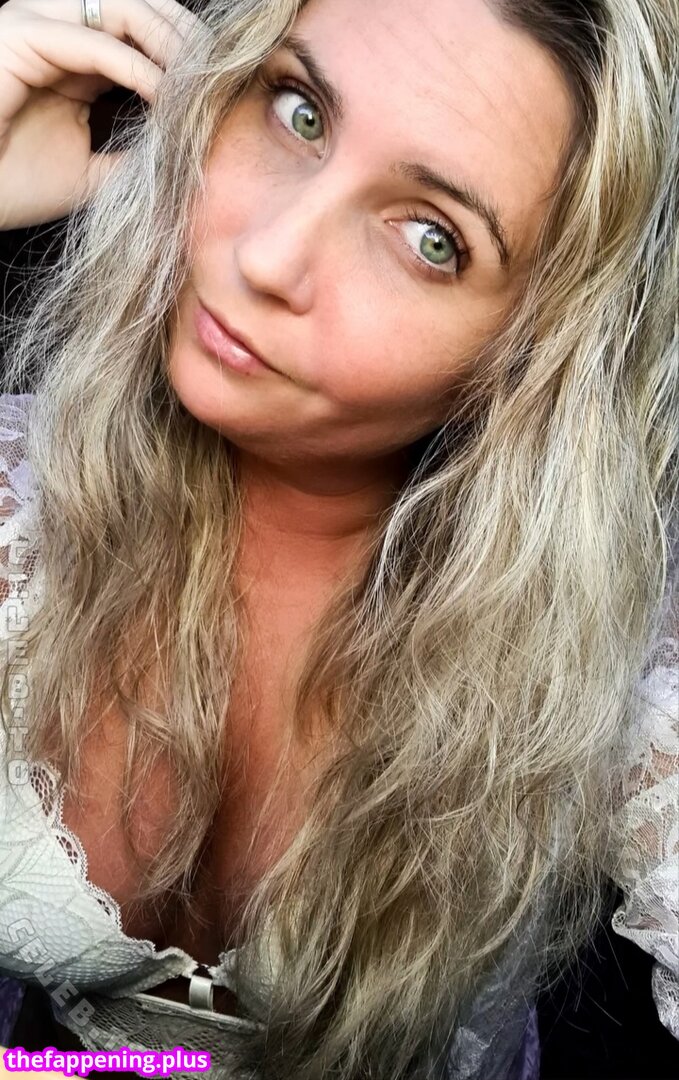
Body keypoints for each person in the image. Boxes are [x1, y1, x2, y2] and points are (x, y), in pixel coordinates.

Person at [0, 0, 676, 1077]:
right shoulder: (19, 516)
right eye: (300, 112)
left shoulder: (605, 669)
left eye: (431, 238)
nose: (268, 254)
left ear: (537, 357)